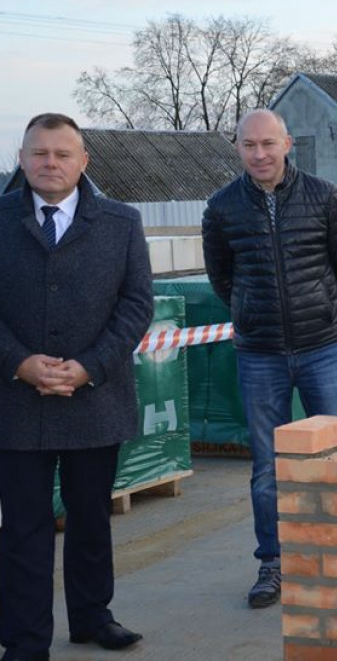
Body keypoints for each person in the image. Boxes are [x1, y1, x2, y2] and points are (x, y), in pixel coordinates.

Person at [0, 113, 154, 659]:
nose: (50, 163)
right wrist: (18, 363)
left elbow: (137, 305)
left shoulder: (120, 221)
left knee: (91, 520)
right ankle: (23, 639)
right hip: (15, 402)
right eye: (39, 153)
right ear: (21, 158)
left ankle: (92, 617)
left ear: (84, 161)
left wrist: (89, 365)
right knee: (23, 529)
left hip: (96, 397)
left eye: (63, 154)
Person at [202, 109, 337, 608]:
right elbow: (222, 278)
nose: (259, 154)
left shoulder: (324, 196)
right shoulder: (222, 208)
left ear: (287, 142)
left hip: (321, 350)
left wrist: (324, 317)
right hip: (261, 357)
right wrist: (255, 316)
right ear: (237, 148)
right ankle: (274, 563)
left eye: (268, 144)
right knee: (268, 468)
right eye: (249, 145)